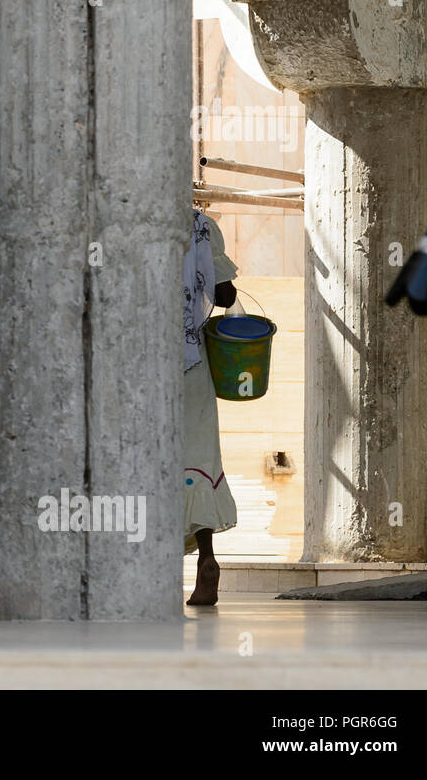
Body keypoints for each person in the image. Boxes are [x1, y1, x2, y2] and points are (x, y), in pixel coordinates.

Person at [183, 208, 240, 606]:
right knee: (197, 458)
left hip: (133, 360)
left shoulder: (120, 215)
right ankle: (206, 557)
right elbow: (225, 295)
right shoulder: (201, 224)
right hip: (192, 361)